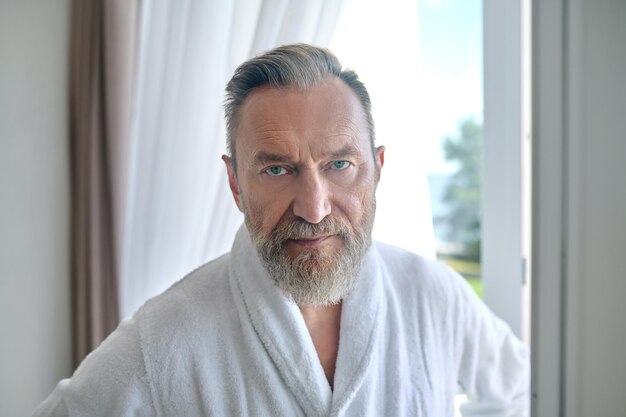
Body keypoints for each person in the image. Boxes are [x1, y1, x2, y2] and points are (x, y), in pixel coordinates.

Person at [34, 43, 528, 417]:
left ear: (376, 170)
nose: (313, 208)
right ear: (235, 184)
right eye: (276, 170)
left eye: (339, 163)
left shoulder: (433, 297)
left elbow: (522, 390)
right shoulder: (161, 341)